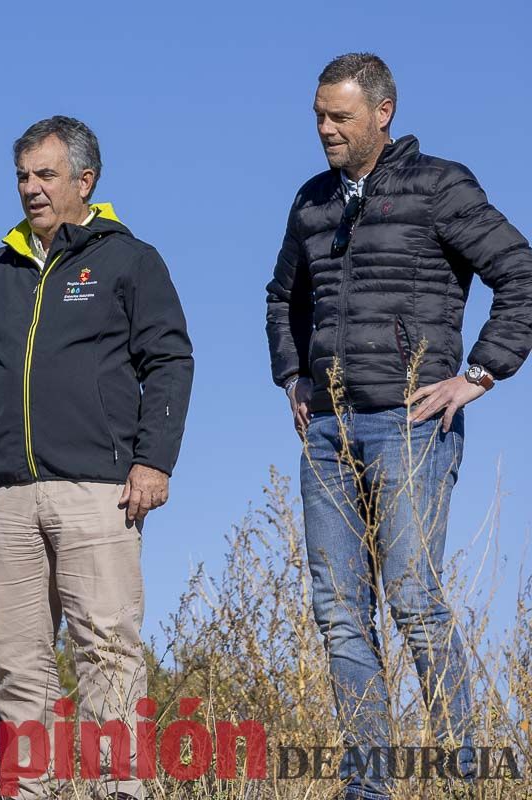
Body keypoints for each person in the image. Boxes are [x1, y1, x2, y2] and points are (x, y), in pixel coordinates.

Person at [265, 53, 532, 799]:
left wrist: (479, 374)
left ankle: (463, 776)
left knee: (413, 602)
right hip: (327, 434)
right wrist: (293, 378)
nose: (325, 129)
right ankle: (369, 787)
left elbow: (521, 272)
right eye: (318, 115)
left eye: (339, 117)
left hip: (412, 426)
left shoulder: (440, 185)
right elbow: (281, 297)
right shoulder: (311, 201)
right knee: (341, 616)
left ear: (383, 112)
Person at [0, 116, 195, 800]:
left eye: (45, 174)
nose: (30, 188)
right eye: (22, 176)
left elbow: (169, 359)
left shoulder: (129, 259)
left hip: (99, 490)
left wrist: (154, 460)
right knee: (16, 665)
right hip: (4, 498)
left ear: (85, 180)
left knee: (106, 651)